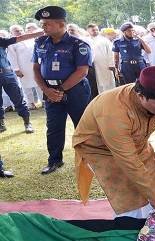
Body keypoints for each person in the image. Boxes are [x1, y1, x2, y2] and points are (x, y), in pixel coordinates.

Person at [73, 66, 155, 218]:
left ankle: (148, 231)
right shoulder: (114, 111)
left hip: (137, 144)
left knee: (152, 182)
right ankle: (129, 234)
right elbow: (128, 159)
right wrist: (154, 196)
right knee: (128, 196)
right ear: (141, 96)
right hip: (100, 150)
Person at [32, 6, 92, 174]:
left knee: (82, 126)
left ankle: (89, 160)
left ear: (61, 24)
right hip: (50, 91)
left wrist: (60, 90)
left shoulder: (78, 44)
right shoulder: (40, 42)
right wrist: (47, 90)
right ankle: (54, 160)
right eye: (42, 24)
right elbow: (36, 69)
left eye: (47, 24)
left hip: (75, 90)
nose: (43, 28)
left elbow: (82, 71)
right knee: (53, 127)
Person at [0, 25, 42, 133]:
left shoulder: (1, 41)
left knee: (17, 98)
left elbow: (23, 37)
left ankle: (27, 123)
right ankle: (1, 124)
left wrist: (43, 31)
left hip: (7, 73)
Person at [7, 25, 42, 110]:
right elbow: (11, 57)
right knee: (26, 86)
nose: (19, 32)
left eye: (20, 30)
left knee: (40, 83)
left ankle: (43, 101)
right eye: (16, 31)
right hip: (22, 68)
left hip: (35, 65)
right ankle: (30, 103)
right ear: (11, 33)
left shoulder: (31, 40)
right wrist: (16, 69)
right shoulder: (11, 43)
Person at [86, 23, 116, 93]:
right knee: (97, 84)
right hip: (93, 66)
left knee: (107, 83)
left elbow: (111, 52)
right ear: (88, 31)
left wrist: (111, 64)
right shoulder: (87, 40)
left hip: (104, 65)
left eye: (96, 30)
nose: (95, 31)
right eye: (93, 30)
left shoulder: (104, 40)